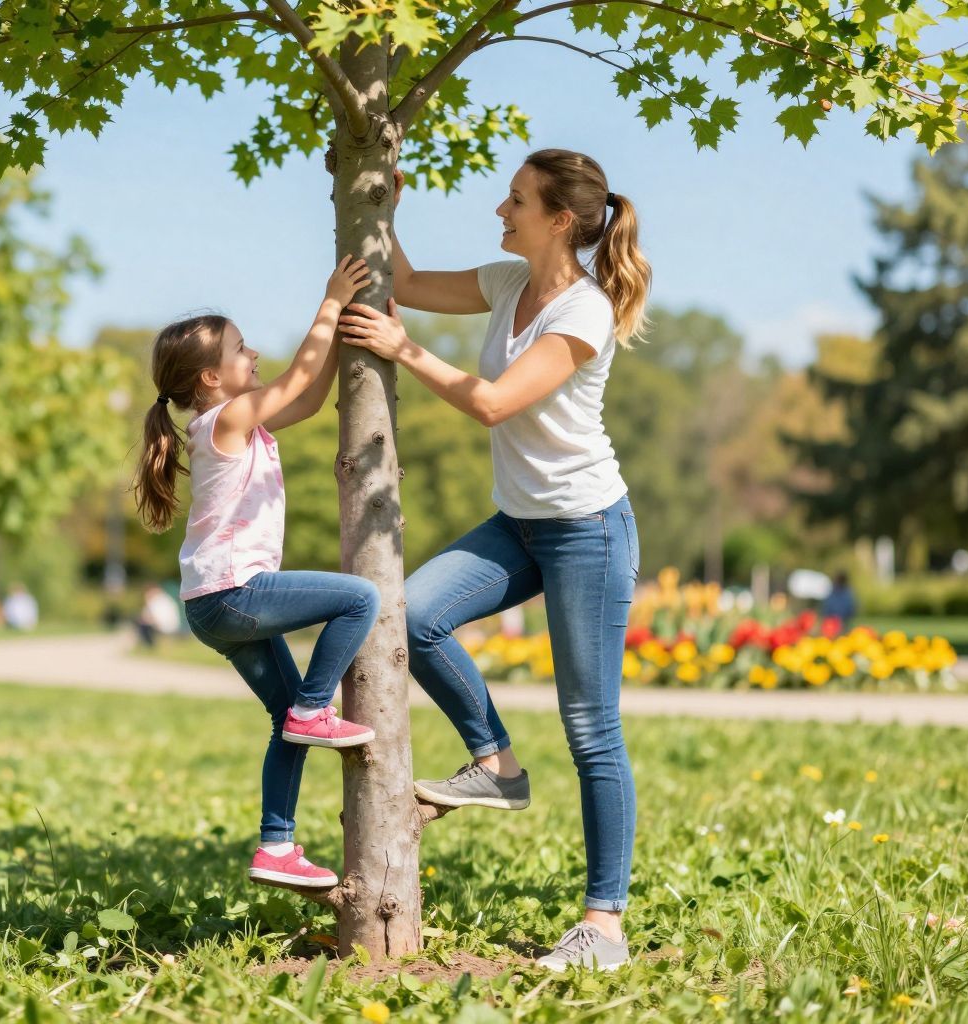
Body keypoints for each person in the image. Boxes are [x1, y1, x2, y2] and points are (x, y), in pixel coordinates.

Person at [340, 151, 650, 971]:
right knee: (411, 612)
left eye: (515, 200)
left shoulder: (583, 312)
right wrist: (383, 208)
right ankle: (495, 762)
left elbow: (493, 402)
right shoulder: (507, 283)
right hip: (520, 524)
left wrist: (404, 352)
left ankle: (603, 926)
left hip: (588, 528)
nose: (499, 210)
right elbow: (403, 282)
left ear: (559, 220)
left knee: (591, 728)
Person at [133, 255, 380, 890]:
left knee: (284, 723)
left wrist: (354, 331)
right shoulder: (226, 419)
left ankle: (277, 846)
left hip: (212, 607)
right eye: (242, 350)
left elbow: (313, 390)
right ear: (212, 377)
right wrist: (330, 301)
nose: (255, 354)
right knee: (358, 598)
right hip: (236, 592)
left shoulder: (245, 423)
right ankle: (316, 708)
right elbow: (298, 373)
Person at [134, 583, 182, 648]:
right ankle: (148, 644)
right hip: (169, 625)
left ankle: (150, 645)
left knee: (142, 624)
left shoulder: (158, 600)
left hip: (166, 626)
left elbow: (152, 618)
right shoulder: (163, 598)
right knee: (142, 623)